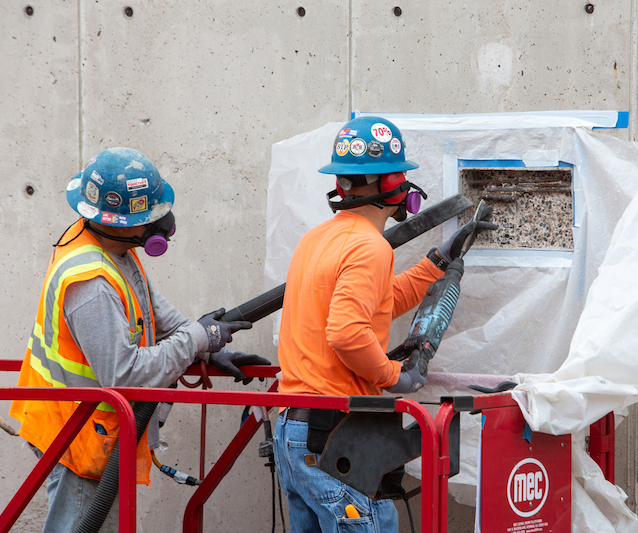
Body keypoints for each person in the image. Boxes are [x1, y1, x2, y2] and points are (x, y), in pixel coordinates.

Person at [9, 147, 269, 533]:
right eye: (149, 217)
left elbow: (149, 308)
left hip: (80, 424)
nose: (161, 223)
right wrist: (196, 338)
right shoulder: (92, 283)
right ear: (118, 222)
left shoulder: (105, 242)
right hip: (78, 434)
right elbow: (125, 373)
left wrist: (205, 349)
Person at [273, 116, 495, 532]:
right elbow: (346, 332)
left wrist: (438, 262)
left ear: (342, 185)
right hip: (334, 433)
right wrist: (394, 376)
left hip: (294, 429)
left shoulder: (317, 239)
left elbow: (378, 304)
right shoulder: (369, 246)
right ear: (393, 183)